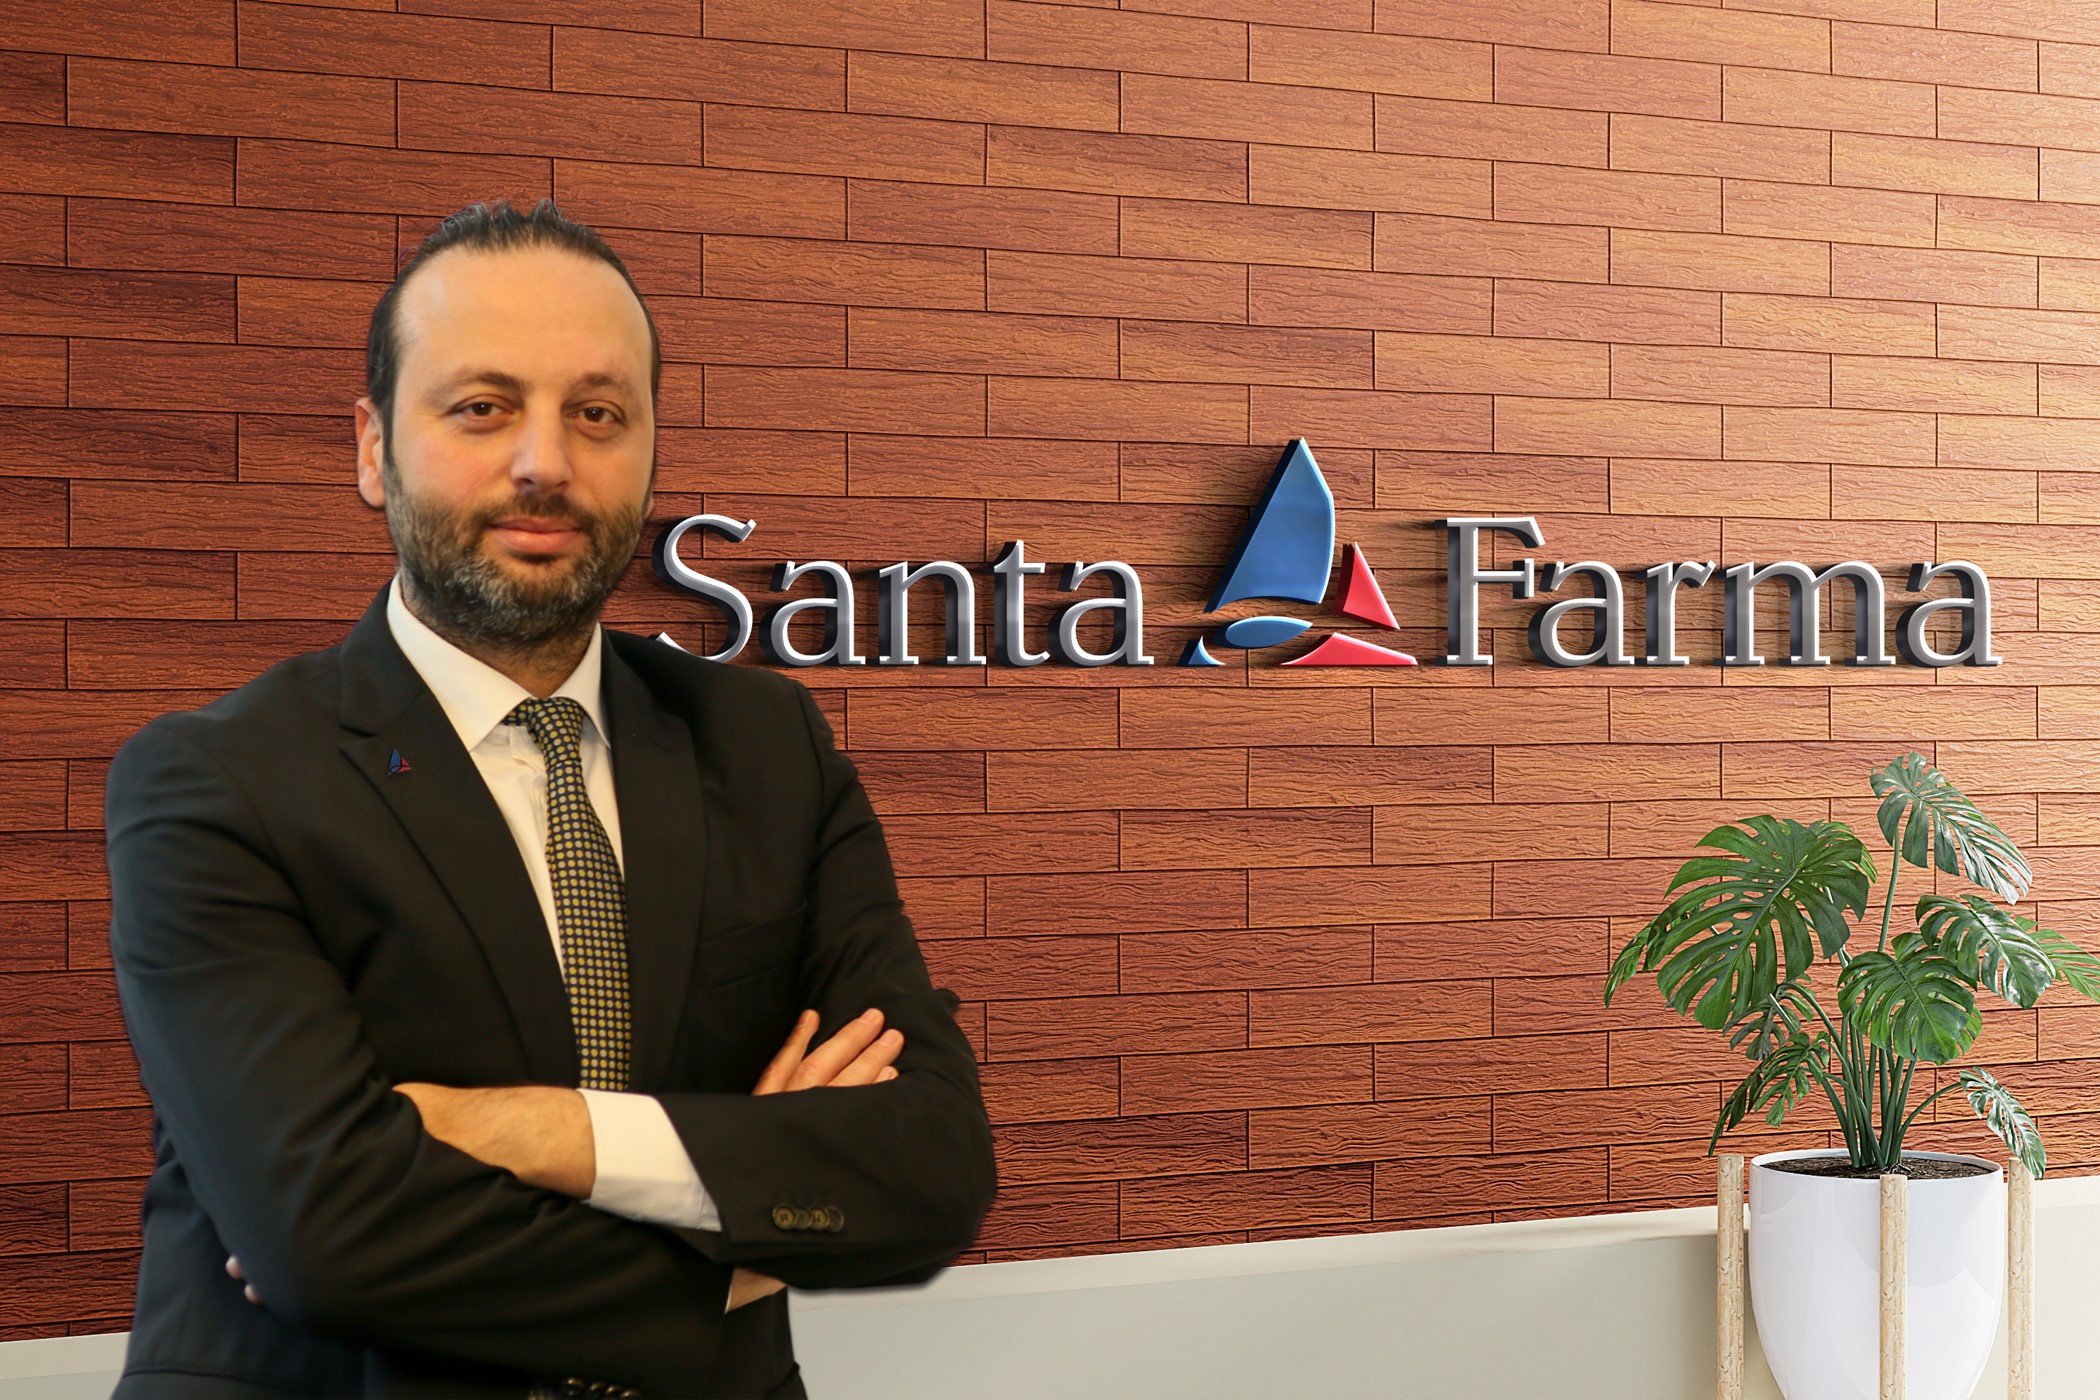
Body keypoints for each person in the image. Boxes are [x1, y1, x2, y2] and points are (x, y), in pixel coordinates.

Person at [102, 199, 997, 1399]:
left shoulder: (767, 744)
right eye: (483, 406)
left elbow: (933, 1163)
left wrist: (535, 1129)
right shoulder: (216, 780)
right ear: (372, 447)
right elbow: (324, 1237)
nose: (545, 463)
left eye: (597, 413)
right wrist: (739, 1243)